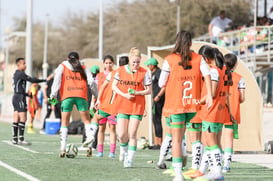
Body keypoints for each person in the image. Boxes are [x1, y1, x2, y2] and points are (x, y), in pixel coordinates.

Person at [158, 30, 213, 181]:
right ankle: (199, 168)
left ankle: (178, 175)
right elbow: (207, 75)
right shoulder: (199, 58)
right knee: (197, 138)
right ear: (190, 43)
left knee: (176, 139)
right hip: (194, 105)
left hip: (176, 105)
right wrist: (209, 94)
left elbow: (161, 83)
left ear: (177, 42)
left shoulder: (169, 59)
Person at [190, 47, 231, 180]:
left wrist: (196, 102)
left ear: (206, 59)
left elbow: (211, 93)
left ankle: (217, 172)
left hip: (211, 111)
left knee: (212, 143)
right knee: (210, 143)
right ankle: (202, 170)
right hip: (219, 110)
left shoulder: (214, 71)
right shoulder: (224, 69)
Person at [50, 52, 97, 157]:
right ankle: (89, 146)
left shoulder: (62, 66)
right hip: (81, 95)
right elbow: (92, 82)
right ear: (78, 59)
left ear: (67, 59)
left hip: (67, 96)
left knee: (64, 122)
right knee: (87, 121)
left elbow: (56, 80)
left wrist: (53, 94)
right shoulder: (83, 67)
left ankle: (62, 148)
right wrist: (96, 95)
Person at [112, 47, 152, 167]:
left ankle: (129, 160)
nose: (135, 64)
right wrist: (125, 95)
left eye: (138, 62)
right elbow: (114, 87)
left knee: (132, 133)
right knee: (122, 134)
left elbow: (148, 90)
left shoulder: (144, 73)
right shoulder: (120, 71)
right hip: (123, 105)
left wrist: (137, 93)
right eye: (133, 62)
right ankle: (123, 151)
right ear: (129, 60)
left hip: (137, 106)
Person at [11, 57, 46, 145]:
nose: (25, 65)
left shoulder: (17, 73)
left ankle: (15, 139)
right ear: (18, 65)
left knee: (16, 117)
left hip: (17, 96)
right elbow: (32, 80)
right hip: (19, 98)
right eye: (24, 63)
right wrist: (44, 80)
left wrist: (27, 95)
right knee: (23, 117)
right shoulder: (20, 73)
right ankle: (21, 139)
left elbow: (19, 88)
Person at [222, 53, 245, 173]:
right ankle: (226, 165)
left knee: (213, 139)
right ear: (235, 64)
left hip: (218, 110)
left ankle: (213, 163)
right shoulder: (240, 78)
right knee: (229, 140)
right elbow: (242, 98)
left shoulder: (219, 75)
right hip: (232, 111)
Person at [92, 55, 116, 158]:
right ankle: (100, 151)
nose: (108, 65)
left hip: (112, 106)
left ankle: (112, 152)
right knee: (101, 128)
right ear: (103, 64)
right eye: (106, 63)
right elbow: (96, 91)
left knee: (112, 128)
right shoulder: (99, 76)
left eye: (110, 63)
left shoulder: (116, 74)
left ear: (113, 63)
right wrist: (93, 102)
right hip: (101, 105)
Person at [145, 57, 165, 149]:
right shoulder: (153, 73)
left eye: (149, 65)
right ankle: (157, 143)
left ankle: (160, 143)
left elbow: (164, 86)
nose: (148, 66)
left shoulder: (158, 73)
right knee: (155, 119)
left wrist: (158, 96)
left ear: (153, 65)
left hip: (159, 99)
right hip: (155, 99)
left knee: (157, 119)